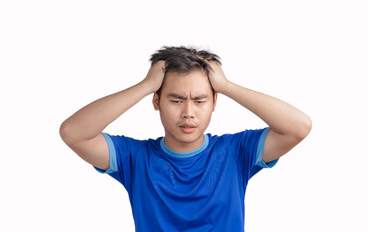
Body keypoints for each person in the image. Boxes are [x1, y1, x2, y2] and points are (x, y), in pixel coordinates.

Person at [60, 46, 312, 232]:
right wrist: (146, 85)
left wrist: (226, 85)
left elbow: (298, 127)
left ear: (214, 102)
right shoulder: (134, 158)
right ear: (157, 102)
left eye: (200, 100)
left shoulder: (236, 152)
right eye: (176, 100)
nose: (188, 112)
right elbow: (73, 133)